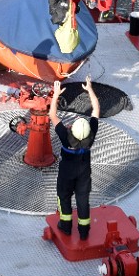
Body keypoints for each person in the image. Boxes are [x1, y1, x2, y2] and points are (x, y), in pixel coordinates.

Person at [50, 76, 101, 240]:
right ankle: (84, 231)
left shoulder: (65, 137)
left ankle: (65, 226)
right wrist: (90, 90)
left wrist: (56, 94)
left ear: (71, 129)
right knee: (83, 200)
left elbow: (52, 114)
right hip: (84, 174)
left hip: (66, 173)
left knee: (64, 197)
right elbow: (96, 109)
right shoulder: (90, 137)